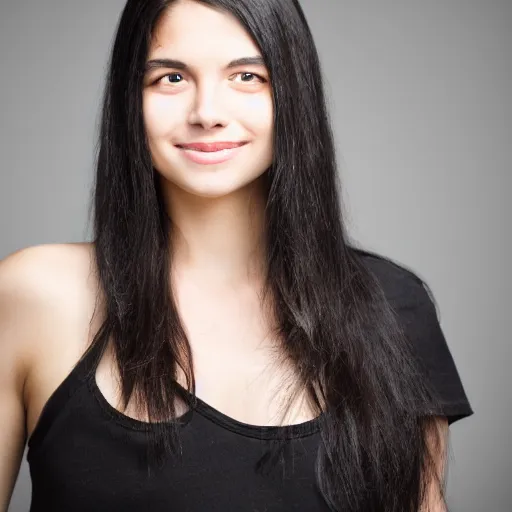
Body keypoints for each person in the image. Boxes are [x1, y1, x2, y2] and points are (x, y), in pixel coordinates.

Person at [0, 0, 473, 510]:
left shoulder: (393, 308)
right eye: (171, 78)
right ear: (128, 98)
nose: (207, 113)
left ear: (294, 93)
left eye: (247, 76)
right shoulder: (37, 296)